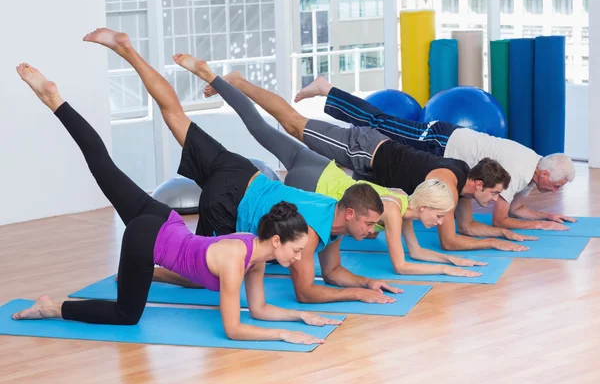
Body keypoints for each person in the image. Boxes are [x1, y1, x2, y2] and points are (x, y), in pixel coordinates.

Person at [11, 63, 341, 345]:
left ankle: (55, 100)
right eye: (297, 250)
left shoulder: (256, 254)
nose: (301, 257)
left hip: (164, 220)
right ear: (276, 240)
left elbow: (258, 310)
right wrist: (283, 336)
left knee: (104, 167)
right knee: (125, 315)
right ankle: (51, 309)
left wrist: (300, 317)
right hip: (148, 236)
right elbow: (234, 328)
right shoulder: (234, 260)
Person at [80, 28, 400, 304]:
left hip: (242, 170)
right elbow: (305, 292)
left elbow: (331, 273)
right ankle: (149, 272)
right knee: (204, 273)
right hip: (227, 202)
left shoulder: (332, 215)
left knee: (176, 115)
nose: (373, 231)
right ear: (350, 214)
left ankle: (127, 50)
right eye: (370, 223)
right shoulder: (310, 234)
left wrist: (365, 283)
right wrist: (356, 295)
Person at [179, 58, 487, 277]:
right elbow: (403, 264)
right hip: (316, 185)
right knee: (282, 232)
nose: (442, 220)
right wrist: (449, 269)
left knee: (262, 128)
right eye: (440, 214)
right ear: (426, 206)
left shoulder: (402, 203)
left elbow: (416, 252)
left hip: (322, 168)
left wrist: (450, 261)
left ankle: (219, 80)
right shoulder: (393, 212)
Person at [203, 74, 539, 253]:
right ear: (478, 184)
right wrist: (497, 238)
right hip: (367, 150)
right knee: (293, 124)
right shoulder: (446, 187)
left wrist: (500, 236)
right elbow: (451, 238)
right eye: (494, 195)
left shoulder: (461, 185)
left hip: (366, 169)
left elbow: (463, 228)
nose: (496, 201)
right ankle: (240, 84)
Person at [295, 78, 577, 232]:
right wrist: (537, 225)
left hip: (444, 156)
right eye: (556, 185)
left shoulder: (532, 169)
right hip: (440, 141)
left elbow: (515, 208)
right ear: (545, 173)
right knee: (379, 122)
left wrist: (546, 217)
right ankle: (326, 89)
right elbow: (500, 219)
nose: (554, 191)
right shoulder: (518, 172)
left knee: (381, 138)